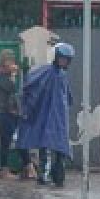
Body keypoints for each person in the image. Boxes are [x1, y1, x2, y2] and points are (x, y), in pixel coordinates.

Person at [17, 41, 74, 188]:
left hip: (59, 116)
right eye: (62, 58)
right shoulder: (46, 72)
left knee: (60, 148)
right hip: (46, 115)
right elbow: (31, 85)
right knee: (46, 145)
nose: (63, 61)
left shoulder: (62, 75)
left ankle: (58, 175)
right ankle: (44, 175)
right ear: (56, 57)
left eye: (66, 59)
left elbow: (66, 95)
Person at [0, 49, 28, 180]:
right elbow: (10, 88)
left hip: (13, 112)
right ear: (3, 62)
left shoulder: (12, 75)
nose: (11, 62)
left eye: (12, 60)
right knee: (5, 139)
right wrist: (13, 75)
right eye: (8, 60)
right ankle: (4, 170)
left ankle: (28, 166)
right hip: (1, 111)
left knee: (19, 137)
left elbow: (18, 91)